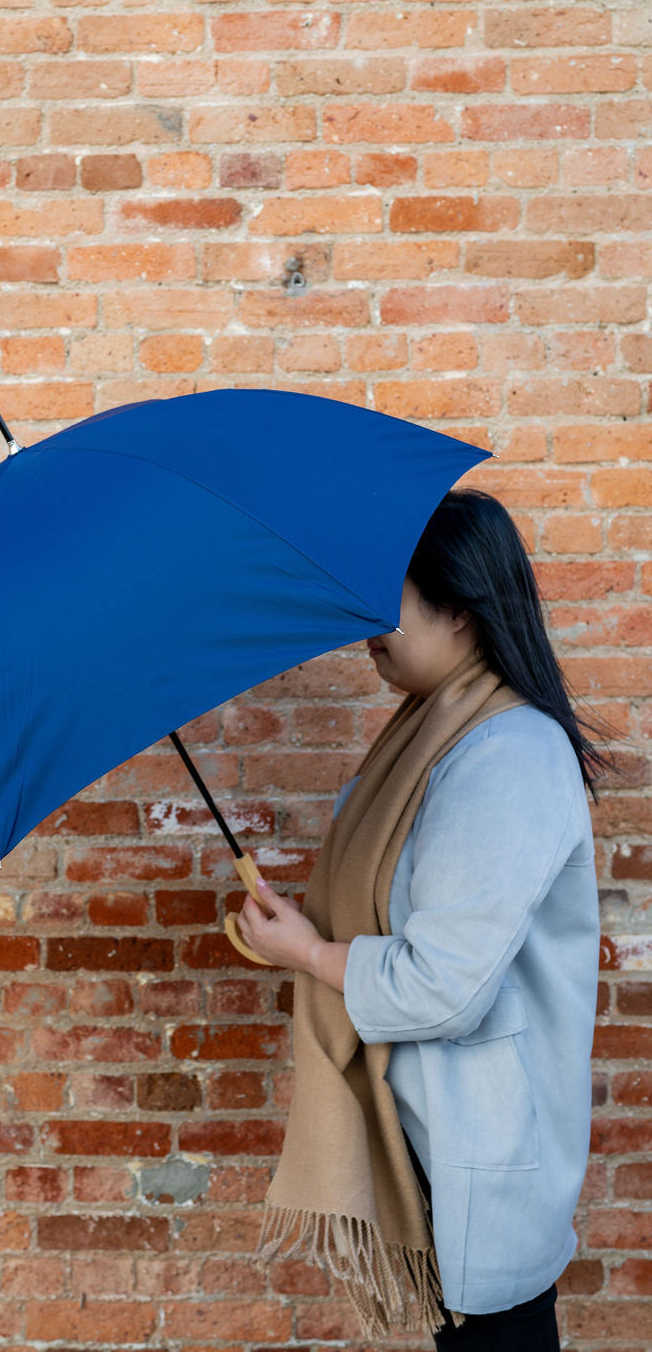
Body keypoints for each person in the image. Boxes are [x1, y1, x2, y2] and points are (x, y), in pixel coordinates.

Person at [237, 488, 606, 1350]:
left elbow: (444, 987)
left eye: (389, 599)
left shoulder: (505, 755)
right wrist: (311, 934)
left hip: (485, 1152)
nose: (370, 622)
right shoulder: (439, 736)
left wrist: (312, 952)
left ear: (461, 614)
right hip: (444, 1142)